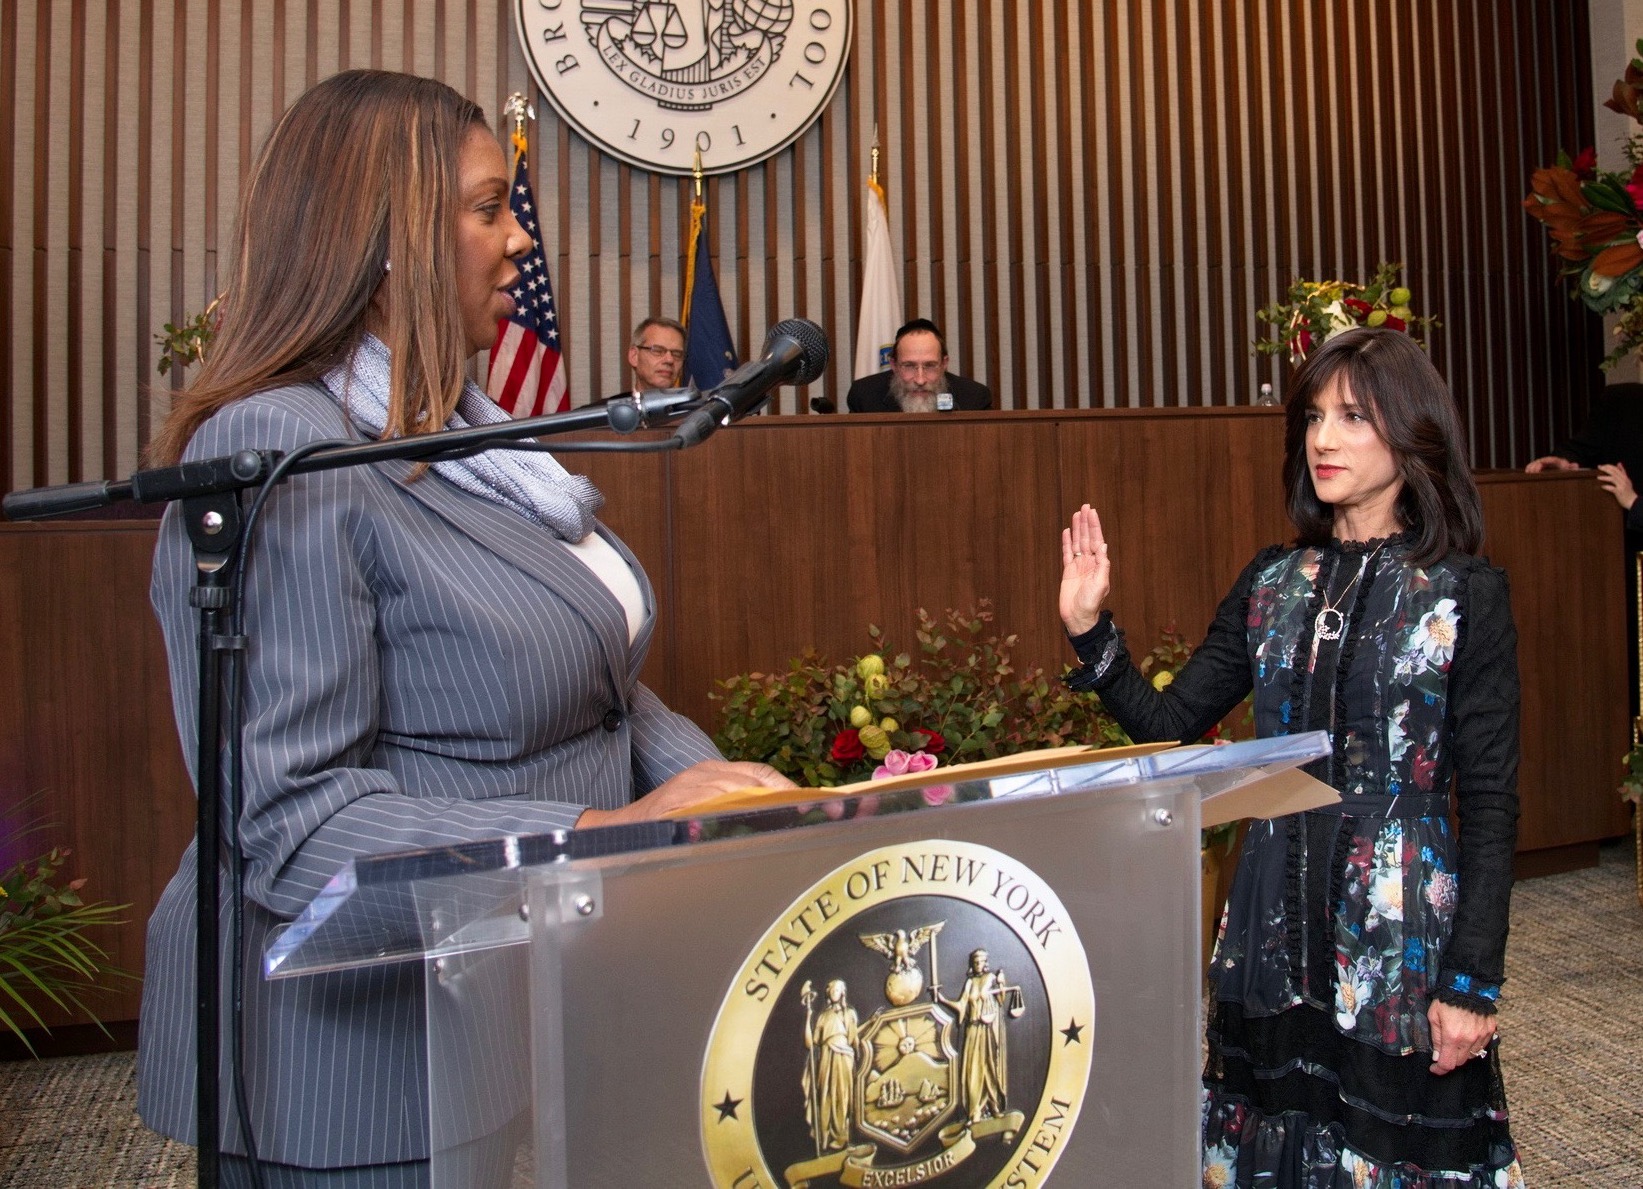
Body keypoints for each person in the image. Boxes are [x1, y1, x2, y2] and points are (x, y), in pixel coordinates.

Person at [136, 70, 790, 1186]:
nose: (523, 240)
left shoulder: (464, 436)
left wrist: (728, 790)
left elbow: (596, 681)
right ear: (388, 239)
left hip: (501, 1012)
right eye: (491, 208)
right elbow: (292, 825)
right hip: (361, 1070)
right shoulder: (285, 450)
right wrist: (608, 835)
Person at [1058, 327, 1523, 1186]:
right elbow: (1173, 723)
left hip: (1395, 928)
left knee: (1394, 1145)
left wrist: (1471, 982)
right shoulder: (1272, 581)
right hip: (1270, 923)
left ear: (1411, 429)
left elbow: (1491, 799)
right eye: (1312, 416)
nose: (1322, 438)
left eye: (1351, 415)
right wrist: (1093, 631)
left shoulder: (1463, 591)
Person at [845, 319, 992, 413]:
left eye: (930, 366)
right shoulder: (864, 397)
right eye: (909, 366)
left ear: (944, 364)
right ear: (894, 365)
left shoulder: (974, 399)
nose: (920, 380)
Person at [609, 315, 687, 401]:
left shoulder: (696, 413)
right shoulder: (605, 411)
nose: (669, 360)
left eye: (676, 354)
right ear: (634, 356)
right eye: (657, 351)